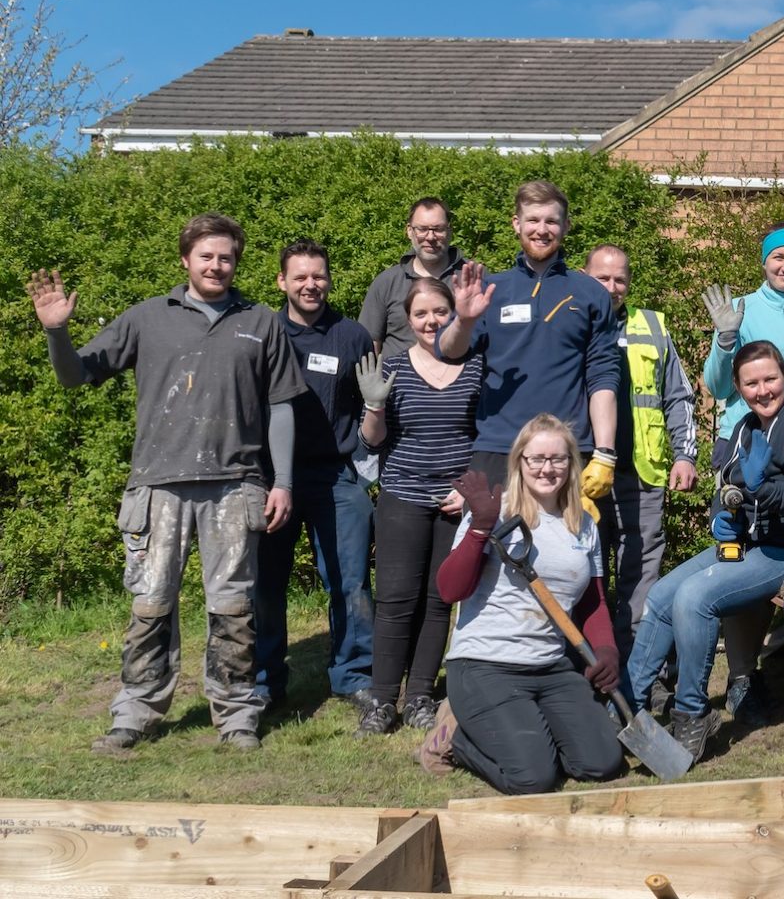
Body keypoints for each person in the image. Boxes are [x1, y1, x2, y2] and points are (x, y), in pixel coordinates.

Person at [30, 213, 306, 753]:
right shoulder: (146, 318)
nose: (216, 265)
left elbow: (280, 407)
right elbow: (74, 375)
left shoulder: (261, 321)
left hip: (236, 486)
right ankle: (135, 710)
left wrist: (284, 481)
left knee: (232, 607)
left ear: (236, 262)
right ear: (185, 260)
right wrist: (56, 331)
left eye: (225, 257)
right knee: (150, 604)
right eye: (206, 256)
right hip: (157, 486)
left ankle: (236, 714)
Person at [626, 342, 784, 761]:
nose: (762, 390)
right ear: (738, 387)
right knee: (663, 594)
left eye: (770, 379)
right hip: (746, 543)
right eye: (751, 383)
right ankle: (628, 703)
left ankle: (692, 715)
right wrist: (721, 514)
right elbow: (729, 488)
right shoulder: (746, 427)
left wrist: (764, 491)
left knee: (694, 598)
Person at [431, 415, 624, 794]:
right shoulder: (494, 511)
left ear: (572, 464)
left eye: (558, 458)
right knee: (533, 777)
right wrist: (479, 528)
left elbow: (592, 600)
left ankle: (533, 729)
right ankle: (454, 736)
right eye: (536, 458)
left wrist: (606, 650)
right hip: (485, 665)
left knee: (602, 762)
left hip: (551, 667)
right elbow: (450, 589)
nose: (547, 468)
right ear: (519, 461)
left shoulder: (582, 524)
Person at [699, 223, 784, 719]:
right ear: (765, 261)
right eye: (779, 258)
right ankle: (741, 681)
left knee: (782, 558)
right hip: (745, 447)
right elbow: (716, 385)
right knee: (739, 558)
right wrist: (725, 340)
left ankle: (778, 662)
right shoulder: (745, 310)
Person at [252, 240, 378, 718]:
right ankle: (265, 682)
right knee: (266, 585)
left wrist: (364, 467)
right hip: (271, 480)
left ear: (329, 278)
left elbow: (367, 408)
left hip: (336, 478)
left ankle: (353, 676)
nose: (311, 284)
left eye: (319, 275)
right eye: (300, 276)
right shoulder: (263, 332)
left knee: (350, 583)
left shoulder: (353, 337)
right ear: (282, 281)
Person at [354, 277, 482, 735]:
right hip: (402, 496)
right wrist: (373, 405)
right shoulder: (392, 366)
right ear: (408, 321)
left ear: (454, 312)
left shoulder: (476, 366)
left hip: (454, 501)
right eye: (421, 314)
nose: (431, 321)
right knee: (394, 600)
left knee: (438, 600)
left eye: (440, 312)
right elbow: (372, 440)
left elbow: (485, 436)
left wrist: (469, 490)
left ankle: (421, 696)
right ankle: (382, 699)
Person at [437, 181, 622, 493]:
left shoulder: (591, 293)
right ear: (516, 224)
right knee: (488, 542)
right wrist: (464, 321)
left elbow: (603, 375)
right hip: (499, 446)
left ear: (566, 227)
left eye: (551, 221)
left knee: (569, 543)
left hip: (566, 450)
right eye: (533, 220)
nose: (541, 229)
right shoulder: (490, 290)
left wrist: (604, 452)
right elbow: (448, 351)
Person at [583, 244, 699, 660]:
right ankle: (587, 668)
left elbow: (679, 397)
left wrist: (685, 455)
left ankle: (637, 670)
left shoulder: (651, 325)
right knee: (583, 575)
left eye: (620, 279)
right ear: (584, 276)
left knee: (641, 578)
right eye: (602, 278)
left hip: (643, 475)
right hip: (584, 475)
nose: (612, 287)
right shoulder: (569, 322)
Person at [358, 197, 469, 355]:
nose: (430, 237)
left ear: (449, 231)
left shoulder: (472, 278)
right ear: (410, 231)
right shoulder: (387, 282)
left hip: (459, 377)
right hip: (396, 378)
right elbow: (369, 344)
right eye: (422, 229)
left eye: (438, 229)